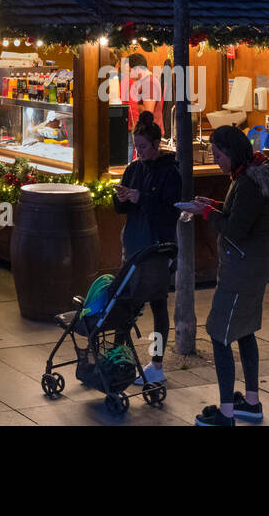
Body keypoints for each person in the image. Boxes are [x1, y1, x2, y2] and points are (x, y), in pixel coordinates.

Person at [179, 124, 269, 426]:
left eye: (218, 155)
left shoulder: (248, 183)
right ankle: (251, 403)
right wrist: (214, 205)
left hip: (242, 269)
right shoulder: (251, 174)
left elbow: (236, 229)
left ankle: (227, 413)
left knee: (219, 335)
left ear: (231, 152)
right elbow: (240, 215)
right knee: (244, 331)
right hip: (253, 266)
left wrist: (204, 213)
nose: (216, 160)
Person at [111, 111, 180, 385]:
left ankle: (156, 363)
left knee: (157, 304)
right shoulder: (134, 169)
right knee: (125, 303)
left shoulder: (170, 172)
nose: (138, 152)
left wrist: (142, 198)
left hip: (158, 247)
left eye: (143, 147)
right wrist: (123, 198)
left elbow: (168, 211)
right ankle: (119, 357)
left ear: (156, 144)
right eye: (135, 147)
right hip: (135, 244)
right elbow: (122, 208)